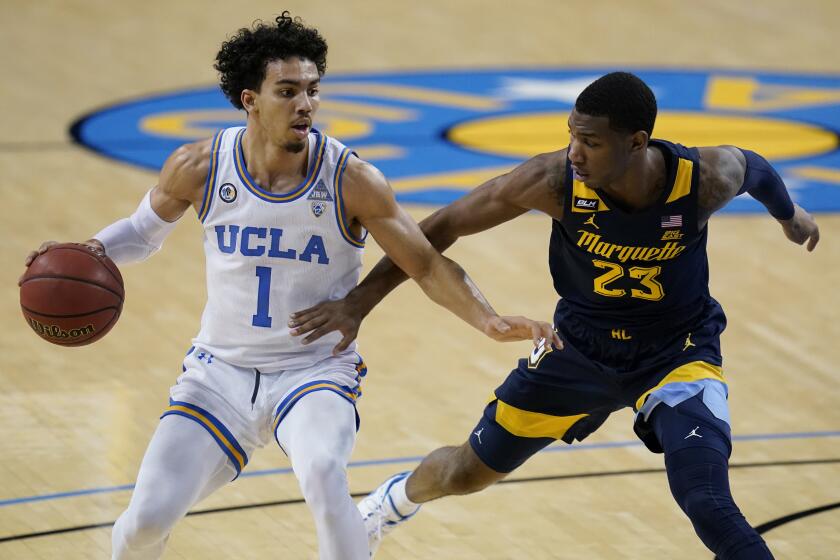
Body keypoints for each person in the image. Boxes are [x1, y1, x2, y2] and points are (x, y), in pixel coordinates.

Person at [21, 13, 558, 560]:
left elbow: (424, 263)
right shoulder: (201, 166)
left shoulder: (350, 179)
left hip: (315, 371)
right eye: (288, 91)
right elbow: (141, 232)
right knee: (142, 524)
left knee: (325, 475)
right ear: (250, 99)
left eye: (312, 90)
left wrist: (487, 319)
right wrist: (92, 250)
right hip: (219, 374)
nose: (305, 104)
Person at [290, 71, 821, 559]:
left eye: (590, 141)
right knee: (466, 472)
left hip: (677, 354)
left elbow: (755, 167)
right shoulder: (553, 181)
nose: (574, 152)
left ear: (636, 142)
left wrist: (789, 215)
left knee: (705, 498)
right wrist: (360, 301)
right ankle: (390, 504)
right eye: (571, 135)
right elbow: (440, 227)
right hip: (578, 351)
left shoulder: (701, 179)